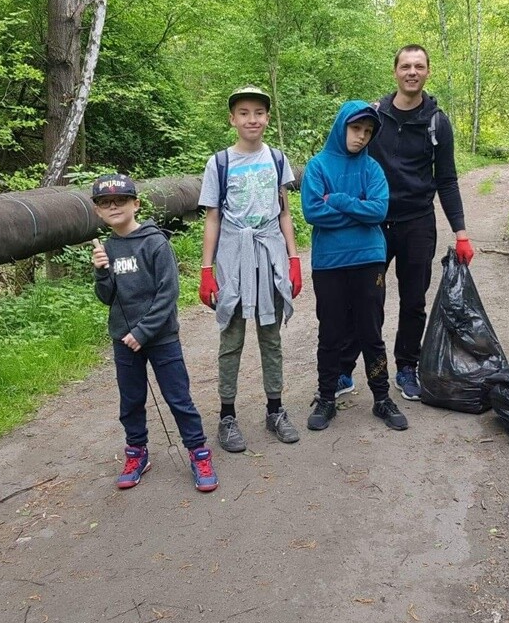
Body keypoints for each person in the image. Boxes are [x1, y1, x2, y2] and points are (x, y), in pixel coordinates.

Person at [342, 45, 475, 401]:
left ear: (427, 72)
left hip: (418, 223)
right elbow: (350, 160)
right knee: (366, 296)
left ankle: (406, 366)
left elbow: (446, 179)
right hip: (375, 224)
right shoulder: (374, 116)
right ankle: (345, 367)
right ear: (395, 72)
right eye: (405, 66)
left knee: (413, 299)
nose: (412, 72)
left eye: (419, 66)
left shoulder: (437, 123)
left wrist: (461, 232)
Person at [90, 173, 218, 493]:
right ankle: (137, 454)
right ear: (98, 212)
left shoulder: (155, 242)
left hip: (160, 337)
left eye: (121, 200)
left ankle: (199, 453)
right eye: (106, 203)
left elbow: (168, 293)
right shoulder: (107, 247)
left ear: (135, 204)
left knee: (178, 398)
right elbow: (107, 297)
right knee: (131, 401)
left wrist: (143, 331)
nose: (114, 207)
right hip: (123, 340)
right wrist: (102, 271)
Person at [198, 85, 302, 452]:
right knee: (232, 337)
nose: (252, 119)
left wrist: (292, 259)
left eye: (258, 112)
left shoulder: (276, 159)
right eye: (243, 113)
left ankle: (275, 410)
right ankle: (227, 416)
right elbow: (212, 218)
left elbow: (285, 212)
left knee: (271, 337)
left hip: (270, 252)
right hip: (233, 258)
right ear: (232, 119)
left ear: (267, 118)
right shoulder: (219, 163)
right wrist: (207, 270)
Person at [301, 101, 409, 432]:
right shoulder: (318, 167)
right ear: (341, 127)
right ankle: (326, 398)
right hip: (329, 262)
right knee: (331, 330)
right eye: (355, 129)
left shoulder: (372, 169)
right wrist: (357, 208)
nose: (361, 137)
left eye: (367, 132)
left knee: (370, 331)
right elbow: (312, 212)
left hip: (369, 259)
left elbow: (378, 211)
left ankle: (381, 398)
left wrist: (338, 200)